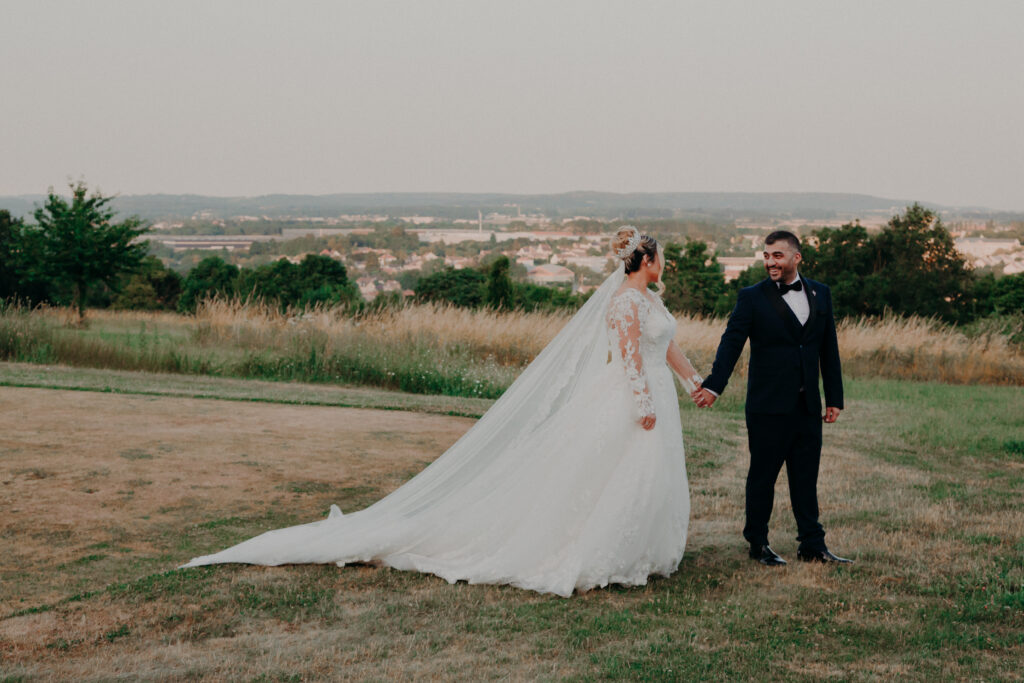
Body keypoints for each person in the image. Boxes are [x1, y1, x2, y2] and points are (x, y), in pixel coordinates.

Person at [181, 226, 705, 597]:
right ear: (645, 260)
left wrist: (693, 382)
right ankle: (604, 553)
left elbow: (666, 348)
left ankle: (643, 552)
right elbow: (631, 357)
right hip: (631, 398)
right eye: (660, 258)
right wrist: (642, 403)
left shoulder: (653, 303)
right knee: (611, 473)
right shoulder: (626, 303)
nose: (665, 266)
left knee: (645, 474)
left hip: (656, 393)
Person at [693, 230, 851, 566]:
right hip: (767, 405)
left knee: (806, 478)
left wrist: (833, 397)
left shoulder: (820, 293)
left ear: (796, 257)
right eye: (766, 256)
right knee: (762, 477)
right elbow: (731, 342)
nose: (770, 262)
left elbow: (828, 348)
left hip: (808, 404)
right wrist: (713, 385)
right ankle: (758, 543)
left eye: (777, 256)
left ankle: (812, 544)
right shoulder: (752, 297)